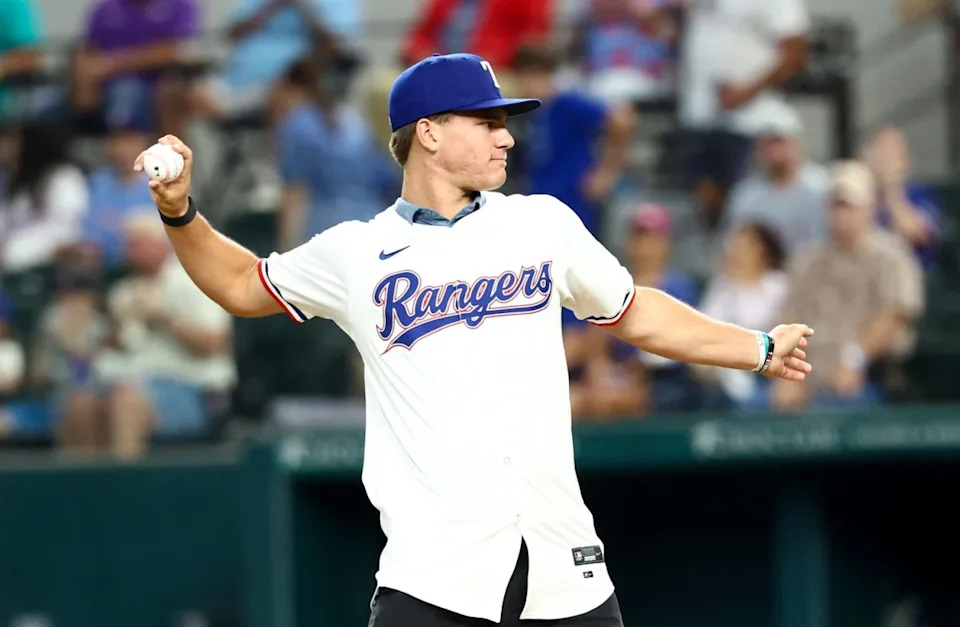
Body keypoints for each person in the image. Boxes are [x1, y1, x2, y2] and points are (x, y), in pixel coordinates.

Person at [136, 52, 814, 627]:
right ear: (427, 133)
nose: (507, 138)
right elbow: (239, 283)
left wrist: (755, 347)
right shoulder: (358, 252)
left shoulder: (541, 224)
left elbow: (635, 312)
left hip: (563, 560)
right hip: (434, 575)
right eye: (487, 121)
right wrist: (179, 211)